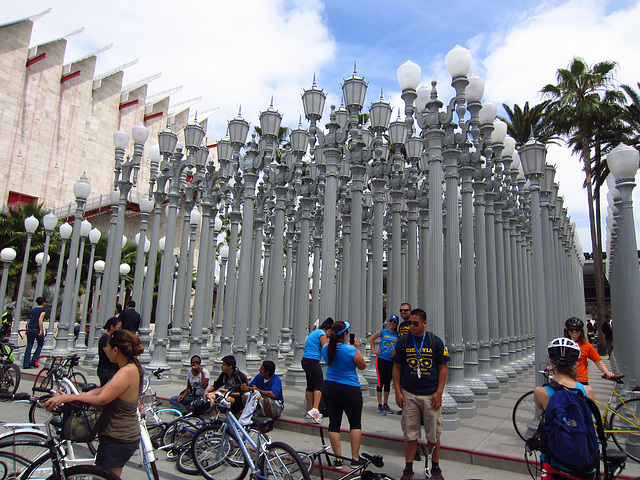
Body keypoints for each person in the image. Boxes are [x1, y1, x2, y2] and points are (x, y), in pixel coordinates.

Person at [44, 329, 144, 479]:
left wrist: (68, 399)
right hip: (121, 436)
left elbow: (102, 399)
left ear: (115, 350)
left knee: (103, 477)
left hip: (118, 437)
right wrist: (72, 396)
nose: (105, 352)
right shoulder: (129, 367)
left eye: (107, 349)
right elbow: (101, 391)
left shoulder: (127, 371)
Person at [392, 308, 449, 480]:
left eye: (415, 323)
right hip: (409, 392)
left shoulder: (435, 341)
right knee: (410, 433)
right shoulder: (403, 341)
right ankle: (408, 467)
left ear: (424, 323)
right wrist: (397, 391)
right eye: (409, 323)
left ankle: (435, 467)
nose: (411, 326)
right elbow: (396, 367)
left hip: (430, 394)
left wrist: (439, 392)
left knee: (433, 433)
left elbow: (442, 368)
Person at [533, 337, 596, 480]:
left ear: (551, 362)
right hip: (583, 458)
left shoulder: (541, 392)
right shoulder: (588, 391)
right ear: (576, 362)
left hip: (554, 459)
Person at [321, 321, 367, 468]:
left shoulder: (326, 349)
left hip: (330, 386)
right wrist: (357, 349)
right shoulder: (350, 350)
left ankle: (338, 459)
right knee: (355, 423)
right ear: (345, 334)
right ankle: (354, 459)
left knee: (334, 423)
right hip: (349, 388)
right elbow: (362, 366)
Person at [564, 317, 615, 384]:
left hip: (581, 381)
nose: (574, 332)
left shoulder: (586, 346)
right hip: (566, 380)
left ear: (581, 331)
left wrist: (606, 372)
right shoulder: (563, 345)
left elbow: (598, 361)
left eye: (577, 330)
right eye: (571, 330)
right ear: (567, 331)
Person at [301, 317, 333, 424]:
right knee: (319, 385)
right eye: (331, 333)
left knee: (310, 386)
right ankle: (315, 411)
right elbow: (325, 347)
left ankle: (310, 410)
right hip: (313, 360)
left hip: (305, 360)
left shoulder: (315, 332)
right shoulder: (321, 334)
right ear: (328, 331)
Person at [369, 314, 399, 415]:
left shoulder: (397, 335)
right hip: (381, 359)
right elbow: (371, 339)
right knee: (380, 381)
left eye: (394, 322)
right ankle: (380, 405)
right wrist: (374, 350)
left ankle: (386, 404)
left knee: (387, 382)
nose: (392, 324)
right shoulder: (382, 332)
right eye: (391, 321)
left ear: (397, 324)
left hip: (391, 360)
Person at [97, 317, 121, 386]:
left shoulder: (113, 338)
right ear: (112, 327)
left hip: (113, 368)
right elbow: (109, 354)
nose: (119, 329)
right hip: (106, 369)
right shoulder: (105, 338)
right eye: (118, 327)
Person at [23, 297, 46, 369]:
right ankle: (33, 360)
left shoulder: (33, 310)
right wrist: (41, 330)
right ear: (43, 302)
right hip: (36, 329)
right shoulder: (43, 310)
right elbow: (40, 320)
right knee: (40, 344)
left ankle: (26, 364)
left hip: (30, 328)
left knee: (29, 345)